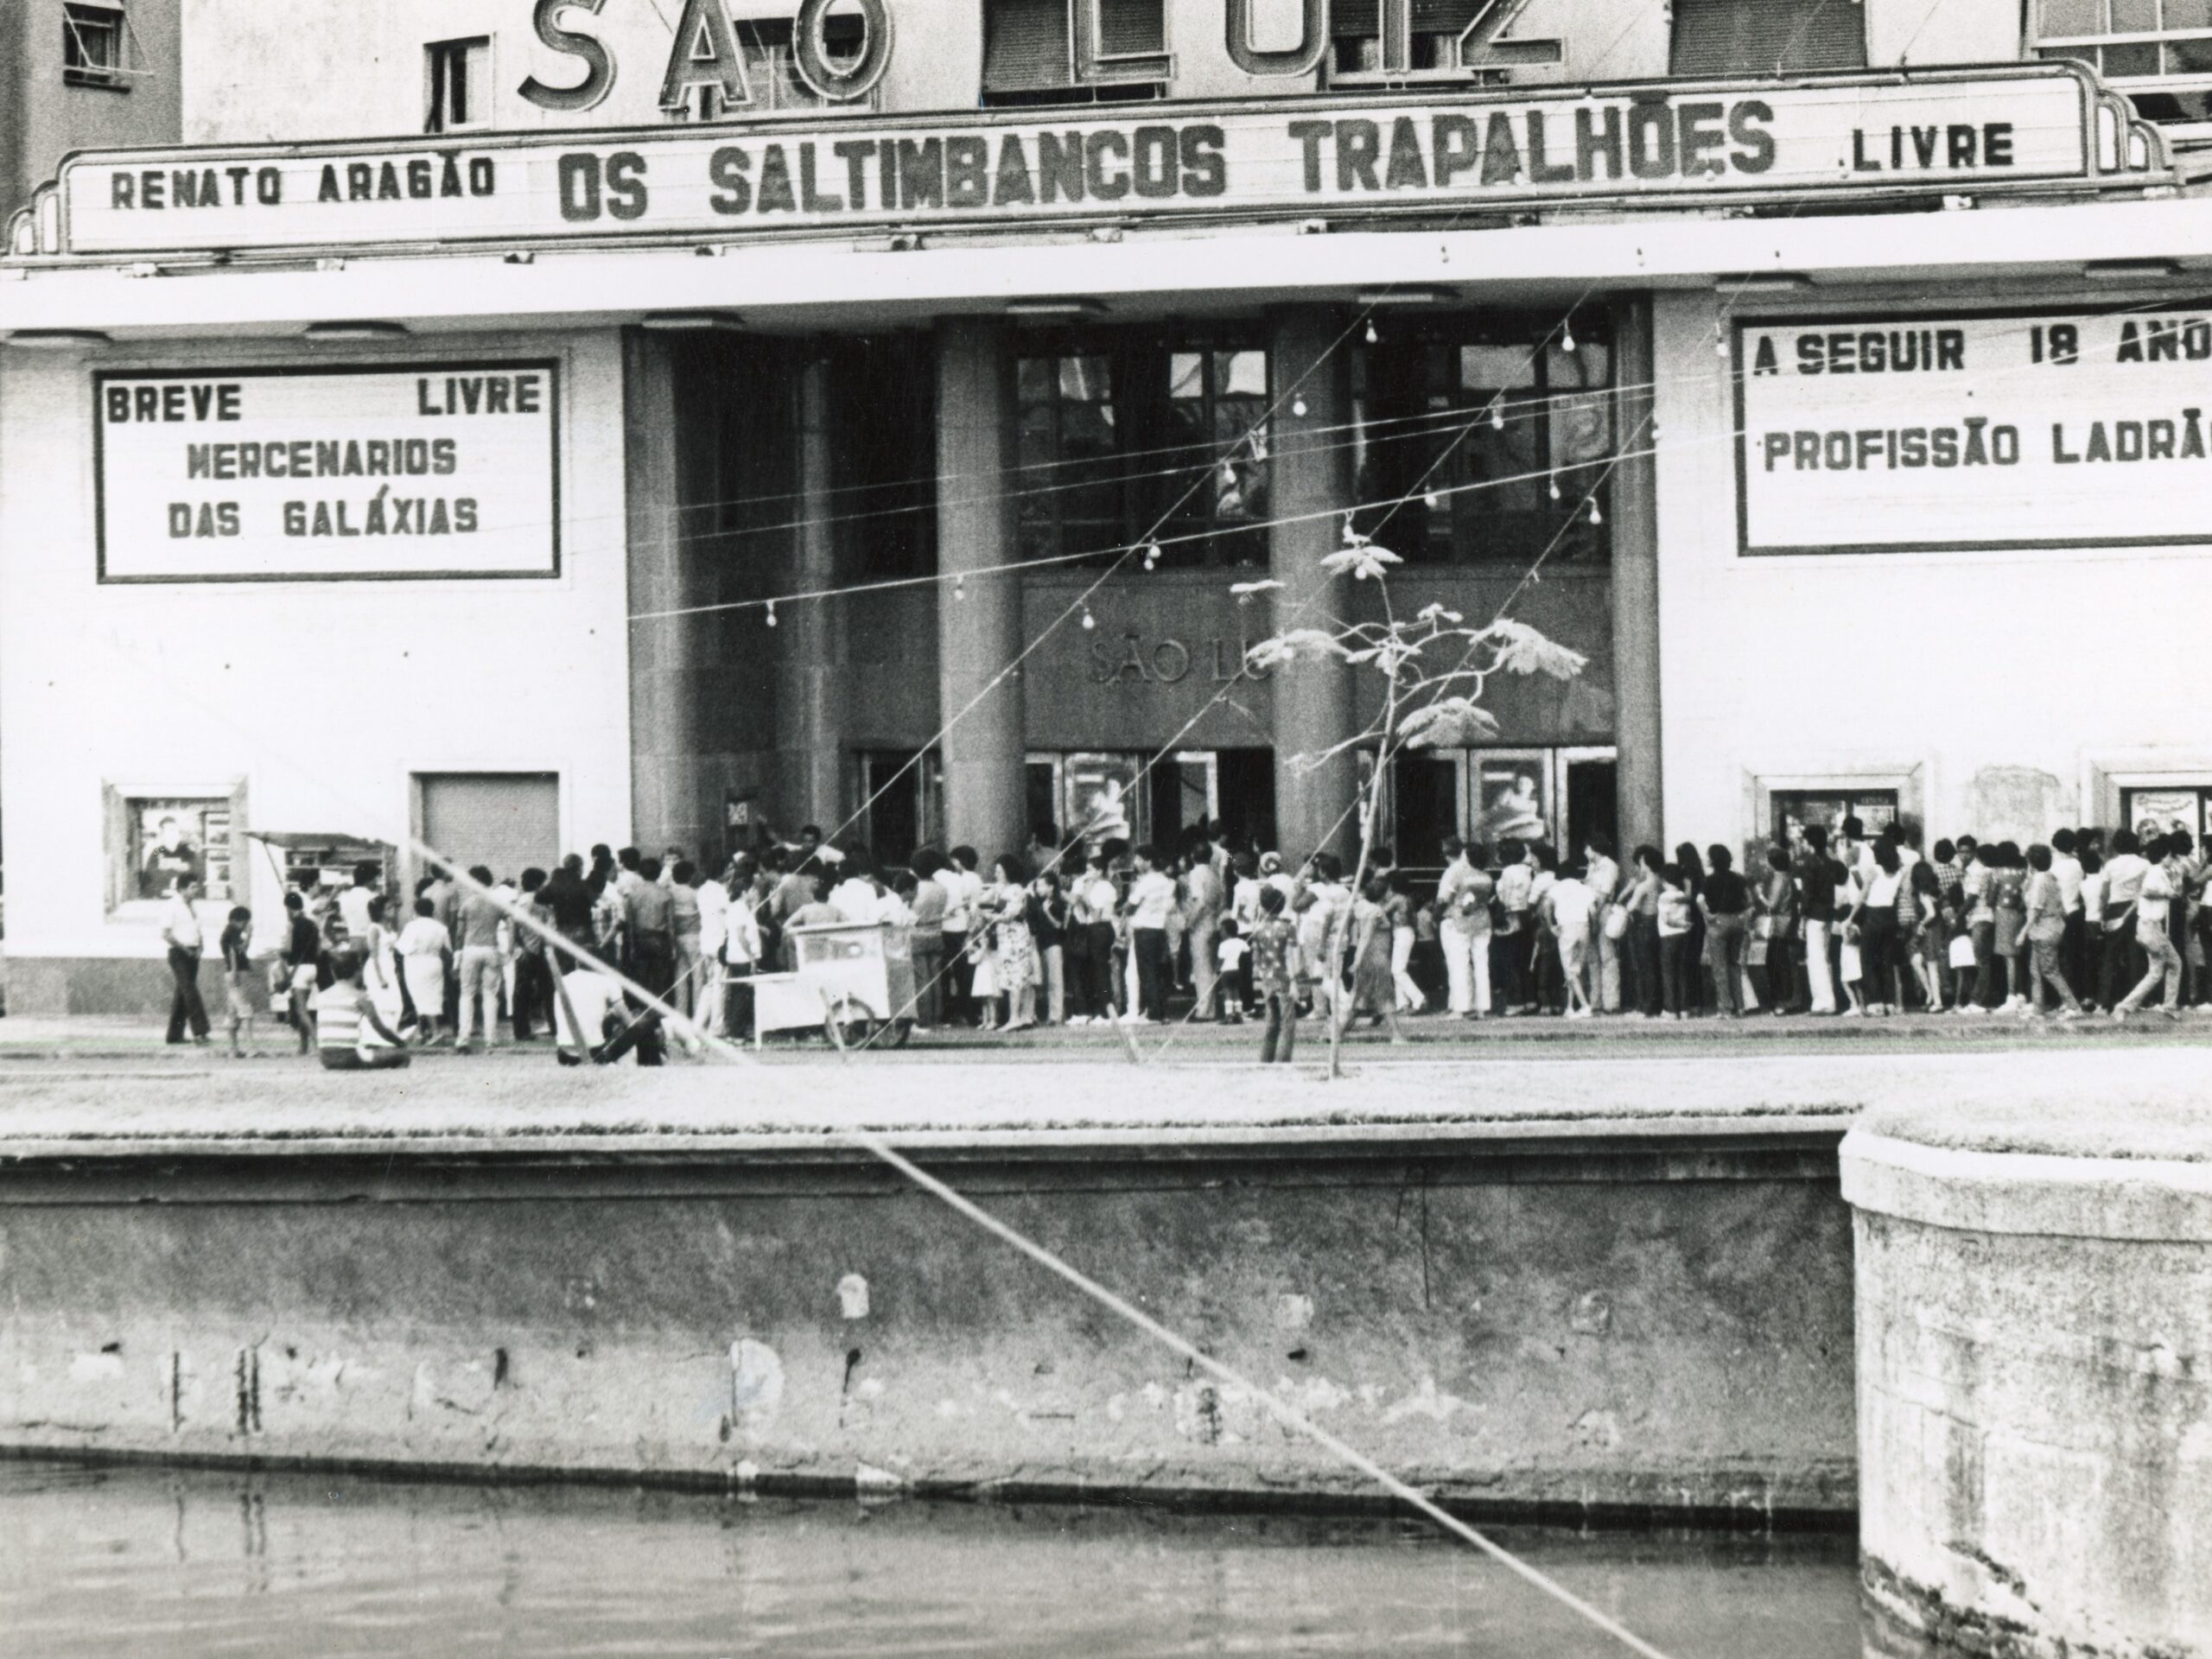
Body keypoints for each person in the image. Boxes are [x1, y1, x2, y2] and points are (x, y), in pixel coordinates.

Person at [2115, 833, 2185, 1020]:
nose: (2173, 859)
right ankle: (2130, 1006)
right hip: (2151, 927)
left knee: (2159, 971)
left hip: (2150, 927)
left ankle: (2129, 1007)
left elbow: (2172, 893)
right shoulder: (2156, 871)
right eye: (2171, 855)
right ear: (2164, 855)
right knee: (2169, 967)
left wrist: (2174, 884)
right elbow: (2147, 892)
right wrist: (2166, 893)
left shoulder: (2160, 872)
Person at [314, 946, 412, 1071]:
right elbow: (380, 1028)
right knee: (402, 1056)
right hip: (350, 1057)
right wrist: (400, 1042)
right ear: (358, 972)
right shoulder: (361, 997)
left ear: (333, 972)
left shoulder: (322, 996)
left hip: (325, 1058)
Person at [552, 958, 664, 1065]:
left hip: (564, 1055)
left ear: (577, 962)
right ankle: (652, 1063)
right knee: (646, 1023)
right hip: (594, 1054)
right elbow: (630, 1022)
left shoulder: (562, 981)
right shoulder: (608, 981)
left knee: (612, 1020)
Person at [2020, 843, 2083, 1020]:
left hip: (2043, 929)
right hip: (2051, 927)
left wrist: (2023, 932)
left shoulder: (2039, 881)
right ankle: (2038, 1008)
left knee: (2050, 971)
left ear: (2031, 862)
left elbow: (2036, 909)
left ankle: (2073, 1005)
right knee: (2036, 970)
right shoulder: (2050, 878)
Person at [1847, 841, 1906, 1017]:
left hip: (1873, 915)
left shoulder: (1875, 871)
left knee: (1868, 960)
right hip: (1890, 916)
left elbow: (1862, 897)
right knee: (1886, 961)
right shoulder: (1899, 872)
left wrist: (1850, 918)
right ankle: (1890, 1003)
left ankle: (1875, 1003)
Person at [1433, 837, 1491, 1019]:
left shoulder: (1459, 875)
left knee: (1460, 964)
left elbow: (1444, 899)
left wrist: (1436, 915)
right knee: (1481, 964)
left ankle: (1460, 1008)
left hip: (1460, 922)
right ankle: (1482, 1007)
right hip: (1482, 921)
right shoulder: (1486, 878)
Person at [453, 865, 505, 1053]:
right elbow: (511, 922)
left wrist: (457, 956)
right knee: (490, 994)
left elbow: (459, 934)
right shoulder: (498, 902)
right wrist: (509, 948)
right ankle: (491, 1039)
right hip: (491, 948)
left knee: (467, 994)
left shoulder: (467, 904)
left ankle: (463, 1038)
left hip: (470, 949)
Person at [1345, 875, 1404, 1039]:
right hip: (1377, 956)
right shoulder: (1376, 912)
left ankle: (1338, 1032)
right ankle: (1396, 1035)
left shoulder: (1361, 907)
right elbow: (1372, 931)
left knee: (1360, 997)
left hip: (1367, 956)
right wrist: (1357, 961)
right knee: (1384, 995)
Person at [1697, 845, 1752, 1017]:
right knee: (1734, 964)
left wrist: (1708, 915)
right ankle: (1740, 1006)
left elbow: (1699, 900)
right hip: (1737, 921)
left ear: (1713, 860)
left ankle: (1725, 1008)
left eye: (1708, 856)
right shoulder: (1739, 878)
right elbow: (1749, 900)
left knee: (1719, 968)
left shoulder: (1709, 880)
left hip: (1719, 921)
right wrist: (1743, 916)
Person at [2100, 829, 2151, 1014]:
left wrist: (2102, 912)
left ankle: (2105, 1000)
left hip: (2115, 908)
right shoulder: (2144, 864)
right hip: (2136, 909)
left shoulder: (2111, 865)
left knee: (2110, 955)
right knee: (2135, 953)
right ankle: (2135, 1001)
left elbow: (2104, 892)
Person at [1124, 843, 1177, 1024]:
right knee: (1158, 970)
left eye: (1139, 859)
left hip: (1144, 929)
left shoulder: (1145, 881)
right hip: (1159, 928)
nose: (1136, 863)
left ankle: (1152, 1012)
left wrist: (1125, 908)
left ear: (1148, 861)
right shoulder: (1165, 881)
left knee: (1146, 971)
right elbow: (1169, 906)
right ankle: (1162, 1011)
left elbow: (1131, 905)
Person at [1250, 885, 1301, 1064]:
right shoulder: (1288, 928)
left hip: (1267, 978)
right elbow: (1291, 955)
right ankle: (1282, 1059)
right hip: (1284, 977)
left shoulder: (1258, 930)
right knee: (1287, 1022)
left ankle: (1266, 1058)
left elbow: (1256, 958)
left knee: (1272, 1021)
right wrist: (1295, 980)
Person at [988, 855, 1039, 1032]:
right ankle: (1023, 1016)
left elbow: (1010, 915)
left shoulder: (1015, 890)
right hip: (1008, 938)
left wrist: (989, 917)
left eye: (999, 871)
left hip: (1014, 938)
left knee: (1015, 978)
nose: (997, 874)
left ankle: (1015, 1017)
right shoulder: (1006, 889)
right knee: (1015, 977)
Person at [397, 896, 452, 1044]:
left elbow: (402, 948)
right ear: (432, 910)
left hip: (416, 963)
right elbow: (448, 949)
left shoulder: (412, 926)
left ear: (416, 910)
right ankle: (420, 1032)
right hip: (434, 962)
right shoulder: (441, 927)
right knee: (432, 997)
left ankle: (435, 1032)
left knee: (419, 998)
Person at [1797, 826, 1840, 1016]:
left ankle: (1822, 1002)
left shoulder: (1809, 863)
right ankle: (1829, 1000)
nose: (1802, 843)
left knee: (1815, 959)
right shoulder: (1830, 862)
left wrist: (1802, 918)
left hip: (1814, 915)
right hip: (1829, 914)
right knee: (1824, 958)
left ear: (1810, 842)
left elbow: (1807, 894)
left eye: (1804, 840)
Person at [1546, 861, 1598, 1020]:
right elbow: (1593, 911)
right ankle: (1569, 1007)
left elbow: (1546, 907)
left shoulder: (1556, 889)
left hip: (1566, 928)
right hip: (1584, 927)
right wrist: (1594, 927)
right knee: (1576, 970)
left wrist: (1551, 926)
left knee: (1569, 970)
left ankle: (1584, 1006)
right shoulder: (1585, 888)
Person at [625, 855, 677, 1007]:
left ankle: (644, 1013)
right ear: (659, 873)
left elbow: (630, 924)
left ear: (641, 873)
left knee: (642, 980)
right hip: (660, 940)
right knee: (660, 982)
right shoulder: (665, 894)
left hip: (640, 939)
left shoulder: (633, 895)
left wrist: (632, 947)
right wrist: (673, 947)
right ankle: (658, 1015)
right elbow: (671, 924)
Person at [1182, 835, 1224, 1022]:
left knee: (1202, 968)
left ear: (1193, 856)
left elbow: (1199, 901)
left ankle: (1205, 1009)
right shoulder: (1214, 874)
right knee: (1211, 966)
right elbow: (1221, 901)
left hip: (1201, 924)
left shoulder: (1195, 874)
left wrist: (1190, 922)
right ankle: (1211, 1006)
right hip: (1214, 921)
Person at [1756, 845, 1800, 1015]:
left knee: (1776, 963)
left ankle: (1782, 1001)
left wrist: (1760, 895)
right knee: (1782, 962)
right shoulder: (1788, 877)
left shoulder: (1779, 879)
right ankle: (1786, 1001)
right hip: (1787, 922)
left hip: (1780, 923)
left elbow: (1772, 904)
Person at [907, 849, 949, 1028]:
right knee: (935, 977)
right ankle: (936, 1016)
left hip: (918, 934)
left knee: (921, 978)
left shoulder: (915, 888)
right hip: (937, 934)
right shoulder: (942, 888)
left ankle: (923, 1018)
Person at [1583, 833, 1623, 1014]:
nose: (1585, 851)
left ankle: (1611, 1002)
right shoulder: (1592, 867)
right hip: (1590, 910)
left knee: (1607, 955)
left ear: (1594, 848)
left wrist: (1595, 916)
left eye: (1587, 848)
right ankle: (1595, 1000)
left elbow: (1605, 893)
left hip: (1603, 910)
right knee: (1592, 957)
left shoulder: (1610, 866)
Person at [1623, 845, 1663, 1019]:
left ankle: (1644, 1007)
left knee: (1643, 967)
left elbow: (1631, 907)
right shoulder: (1661, 881)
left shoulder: (1644, 885)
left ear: (1646, 864)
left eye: (1641, 862)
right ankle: (1654, 1006)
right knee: (1654, 966)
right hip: (1657, 924)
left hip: (1644, 924)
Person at [280, 890, 323, 1053]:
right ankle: (303, 1046)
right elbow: (319, 950)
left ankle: (317, 1044)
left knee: (300, 1010)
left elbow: (288, 949)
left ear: (289, 908)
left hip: (298, 970)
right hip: (313, 968)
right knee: (304, 1008)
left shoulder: (292, 925)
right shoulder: (312, 924)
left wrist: (282, 949)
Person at [218, 905, 264, 1058]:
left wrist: (249, 935)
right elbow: (234, 953)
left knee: (232, 1012)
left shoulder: (230, 932)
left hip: (231, 972)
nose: (246, 925)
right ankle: (251, 1048)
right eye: (245, 922)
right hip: (236, 972)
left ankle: (233, 1049)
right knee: (245, 1010)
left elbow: (240, 949)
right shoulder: (232, 932)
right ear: (237, 920)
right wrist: (235, 971)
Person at [1656, 863, 1694, 1020]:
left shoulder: (1664, 897)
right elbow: (1688, 915)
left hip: (1669, 937)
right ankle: (1684, 1009)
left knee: (1668, 973)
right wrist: (1685, 925)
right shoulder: (1683, 896)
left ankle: (1670, 1010)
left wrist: (1680, 924)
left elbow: (1666, 920)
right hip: (1683, 937)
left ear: (1664, 880)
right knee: (1682, 973)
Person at [1215, 916, 1250, 1021]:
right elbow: (1247, 950)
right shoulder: (1240, 942)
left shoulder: (1223, 945)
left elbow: (1220, 960)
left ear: (1226, 931)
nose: (1220, 933)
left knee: (1228, 992)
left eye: (1221, 930)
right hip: (1237, 971)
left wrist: (1216, 970)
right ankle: (1239, 1014)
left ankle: (1229, 1015)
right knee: (1236, 992)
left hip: (1226, 971)